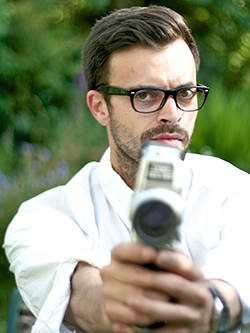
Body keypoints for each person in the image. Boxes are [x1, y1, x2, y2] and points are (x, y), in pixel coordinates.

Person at [4, 5, 250, 333]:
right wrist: (119, 306)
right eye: (145, 95)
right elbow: (79, 292)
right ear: (98, 107)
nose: (172, 114)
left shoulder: (235, 193)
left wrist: (213, 302)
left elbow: (239, 269)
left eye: (185, 93)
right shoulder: (44, 218)